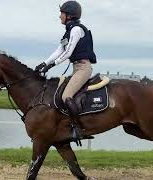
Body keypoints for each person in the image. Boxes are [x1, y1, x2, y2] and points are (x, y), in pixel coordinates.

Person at [35, 1, 97, 142]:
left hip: (83, 68)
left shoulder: (76, 30)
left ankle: (78, 129)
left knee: (66, 96)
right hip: (76, 68)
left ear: (69, 15)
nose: (60, 17)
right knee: (59, 93)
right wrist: (45, 63)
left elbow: (68, 52)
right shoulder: (69, 31)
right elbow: (60, 50)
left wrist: (52, 66)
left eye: (62, 13)